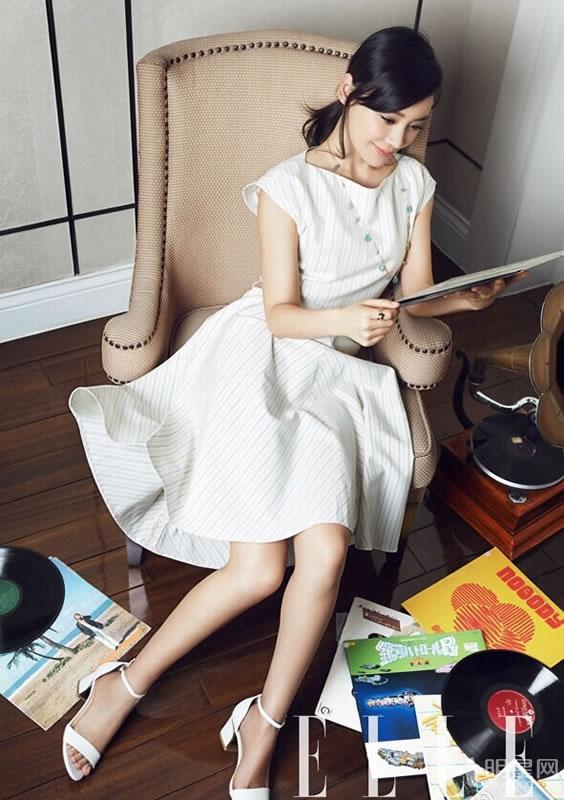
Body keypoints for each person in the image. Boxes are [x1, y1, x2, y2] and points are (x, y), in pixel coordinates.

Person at [62, 25, 528, 796]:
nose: (396, 141)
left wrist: (467, 299)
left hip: (339, 379)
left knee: (324, 560)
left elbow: (416, 293)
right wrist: (348, 319)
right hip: (265, 357)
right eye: (386, 119)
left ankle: (264, 721)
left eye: (415, 126)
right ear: (349, 92)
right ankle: (124, 681)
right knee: (257, 570)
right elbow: (280, 313)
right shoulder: (287, 187)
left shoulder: (414, 185)